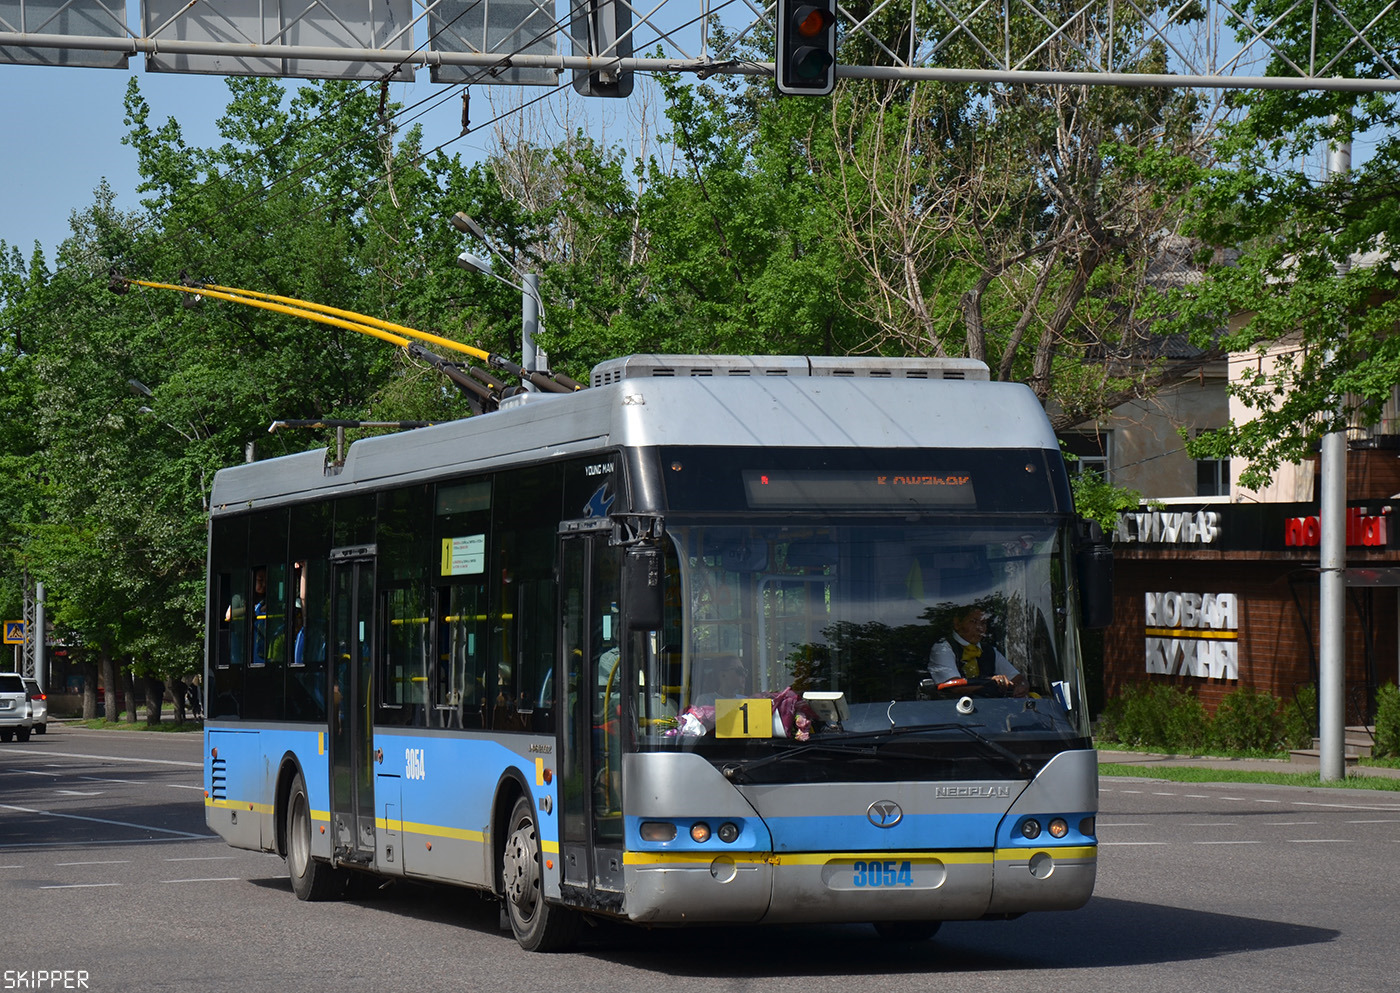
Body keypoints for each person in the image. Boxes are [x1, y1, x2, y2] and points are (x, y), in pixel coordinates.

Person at [929, 605, 1026, 696]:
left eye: (983, 623)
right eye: (973, 622)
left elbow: (1018, 679)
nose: (980, 629)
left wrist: (1021, 687)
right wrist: (990, 683)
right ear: (957, 623)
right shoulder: (943, 648)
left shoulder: (990, 651)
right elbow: (955, 687)